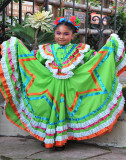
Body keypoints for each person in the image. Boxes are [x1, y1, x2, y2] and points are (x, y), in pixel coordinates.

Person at [0, 16, 126, 151]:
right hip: (50, 90)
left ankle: (62, 140)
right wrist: (20, 46)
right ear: (54, 34)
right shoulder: (46, 50)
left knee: (66, 114)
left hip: (72, 90)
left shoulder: (81, 49)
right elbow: (30, 60)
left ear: (73, 35)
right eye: (58, 33)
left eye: (66, 34)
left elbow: (97, 59)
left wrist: (109, 46)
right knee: (49, 113)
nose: (61, 37)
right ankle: (47, 137)